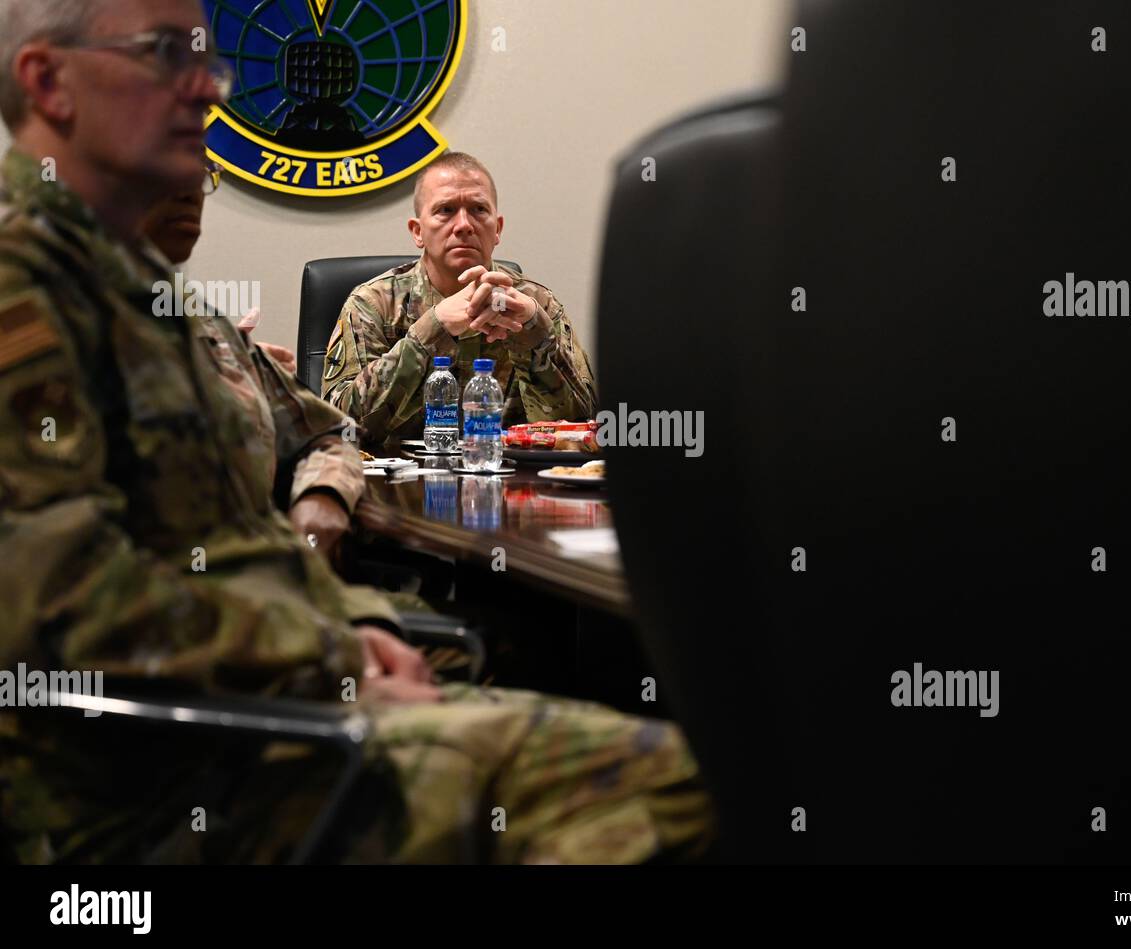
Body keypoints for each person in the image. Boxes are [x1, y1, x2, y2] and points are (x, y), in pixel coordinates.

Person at [0, 0, 710, 864]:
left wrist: (343, 606)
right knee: (679, 783)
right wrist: (330, 651)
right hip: (188, 772)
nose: (204, 92)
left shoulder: (158, 299)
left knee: (667, 748)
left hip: (278, 698)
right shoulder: (28, 292)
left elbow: (321, 437)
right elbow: (58, 616)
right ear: (47, 81)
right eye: (163, 54)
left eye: (209, 65)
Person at [142, 163, 357, 558]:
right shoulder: (46, 314)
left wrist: (322, 494)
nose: (191, 186)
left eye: (200, 168)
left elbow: (328, 435)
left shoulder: (208, 325)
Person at [320, 151, 597, 441]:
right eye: (446, 210)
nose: (464, 225)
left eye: (478, 209)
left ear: (497, 229)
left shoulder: (535, 304)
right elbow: (338, 428)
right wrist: (431, 330)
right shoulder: (373, 304)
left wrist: (534, 333)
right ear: (418, 232)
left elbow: (583, 429)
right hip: (400, 484)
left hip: (512, 481)